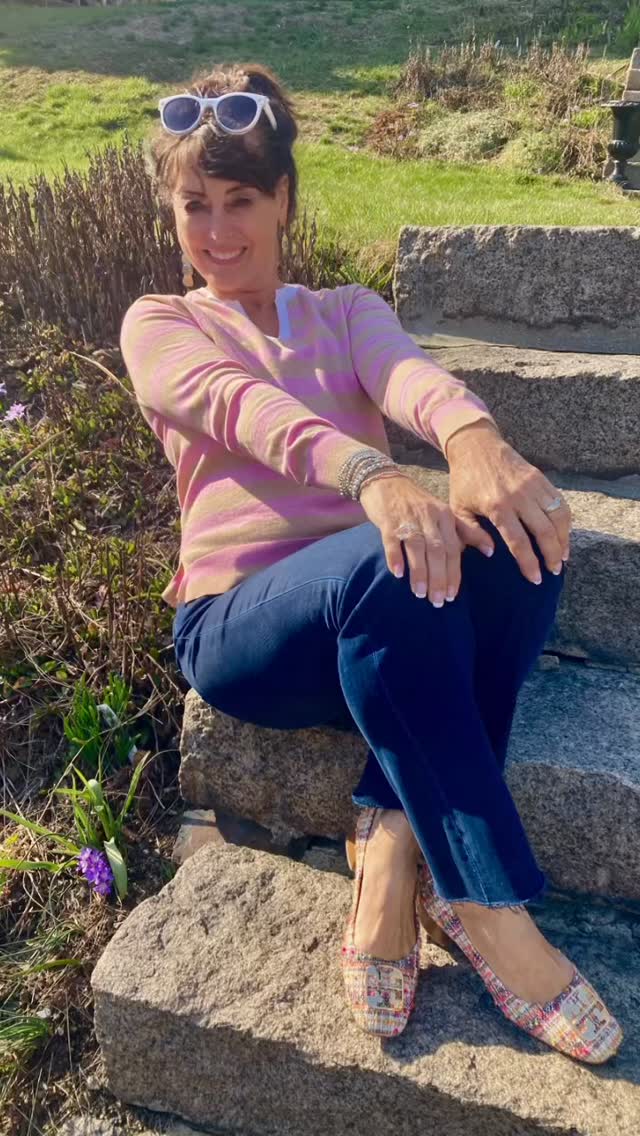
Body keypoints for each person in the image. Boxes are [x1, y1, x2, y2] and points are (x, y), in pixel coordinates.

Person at [120, 62, 622, 1062]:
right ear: (171, 212)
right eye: (195, 205)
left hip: (384, 609)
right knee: (392, 554)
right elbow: (241, 407)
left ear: (284, 200)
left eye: (241, 200)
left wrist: (474, 441)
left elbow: (408, 374)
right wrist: (368, 474)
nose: (218, 230)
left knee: (523, 546)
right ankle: (484, 901)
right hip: (246, 627)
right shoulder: (161, 323)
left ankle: (390, 840)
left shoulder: (344, 310)